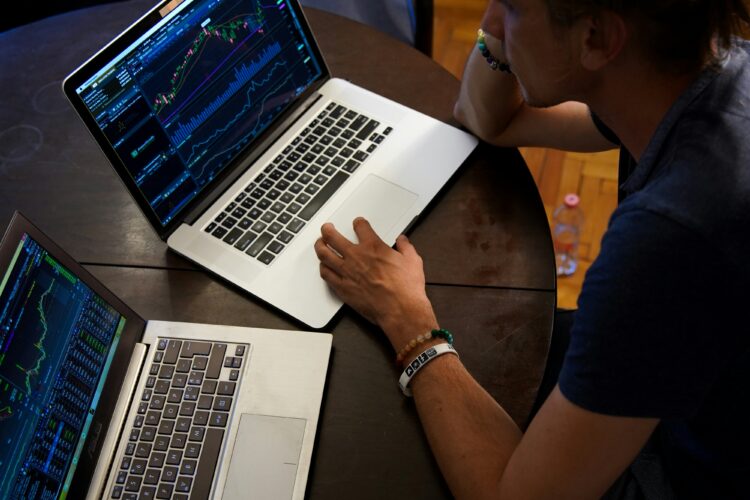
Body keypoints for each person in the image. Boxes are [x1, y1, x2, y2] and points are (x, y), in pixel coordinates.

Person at [314, 0, 750, 498]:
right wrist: (510, 37)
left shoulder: (669, 238)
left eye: (513, 10)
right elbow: (488, 119)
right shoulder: (703, 72)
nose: (488, 25)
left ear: (597, 40)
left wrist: (408, 324)